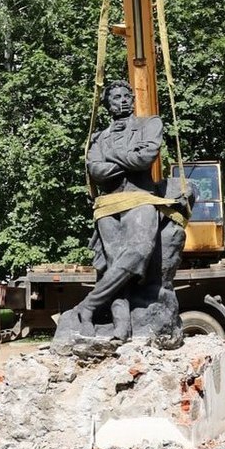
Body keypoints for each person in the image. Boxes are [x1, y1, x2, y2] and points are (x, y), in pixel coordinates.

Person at [67, 80, 165, 341]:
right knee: (113, 265)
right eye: (115, 98)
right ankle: (122, 328)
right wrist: (128, 158)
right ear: (107, 105)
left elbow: (146, 158)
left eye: (125, 96)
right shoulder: (99, 137)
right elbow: (97, 171)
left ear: (132, 99)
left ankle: (88, 305)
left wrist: (111, 156)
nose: (121, 100)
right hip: (108, 205)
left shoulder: (150, 124)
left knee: (139, 250)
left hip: (140, 198)